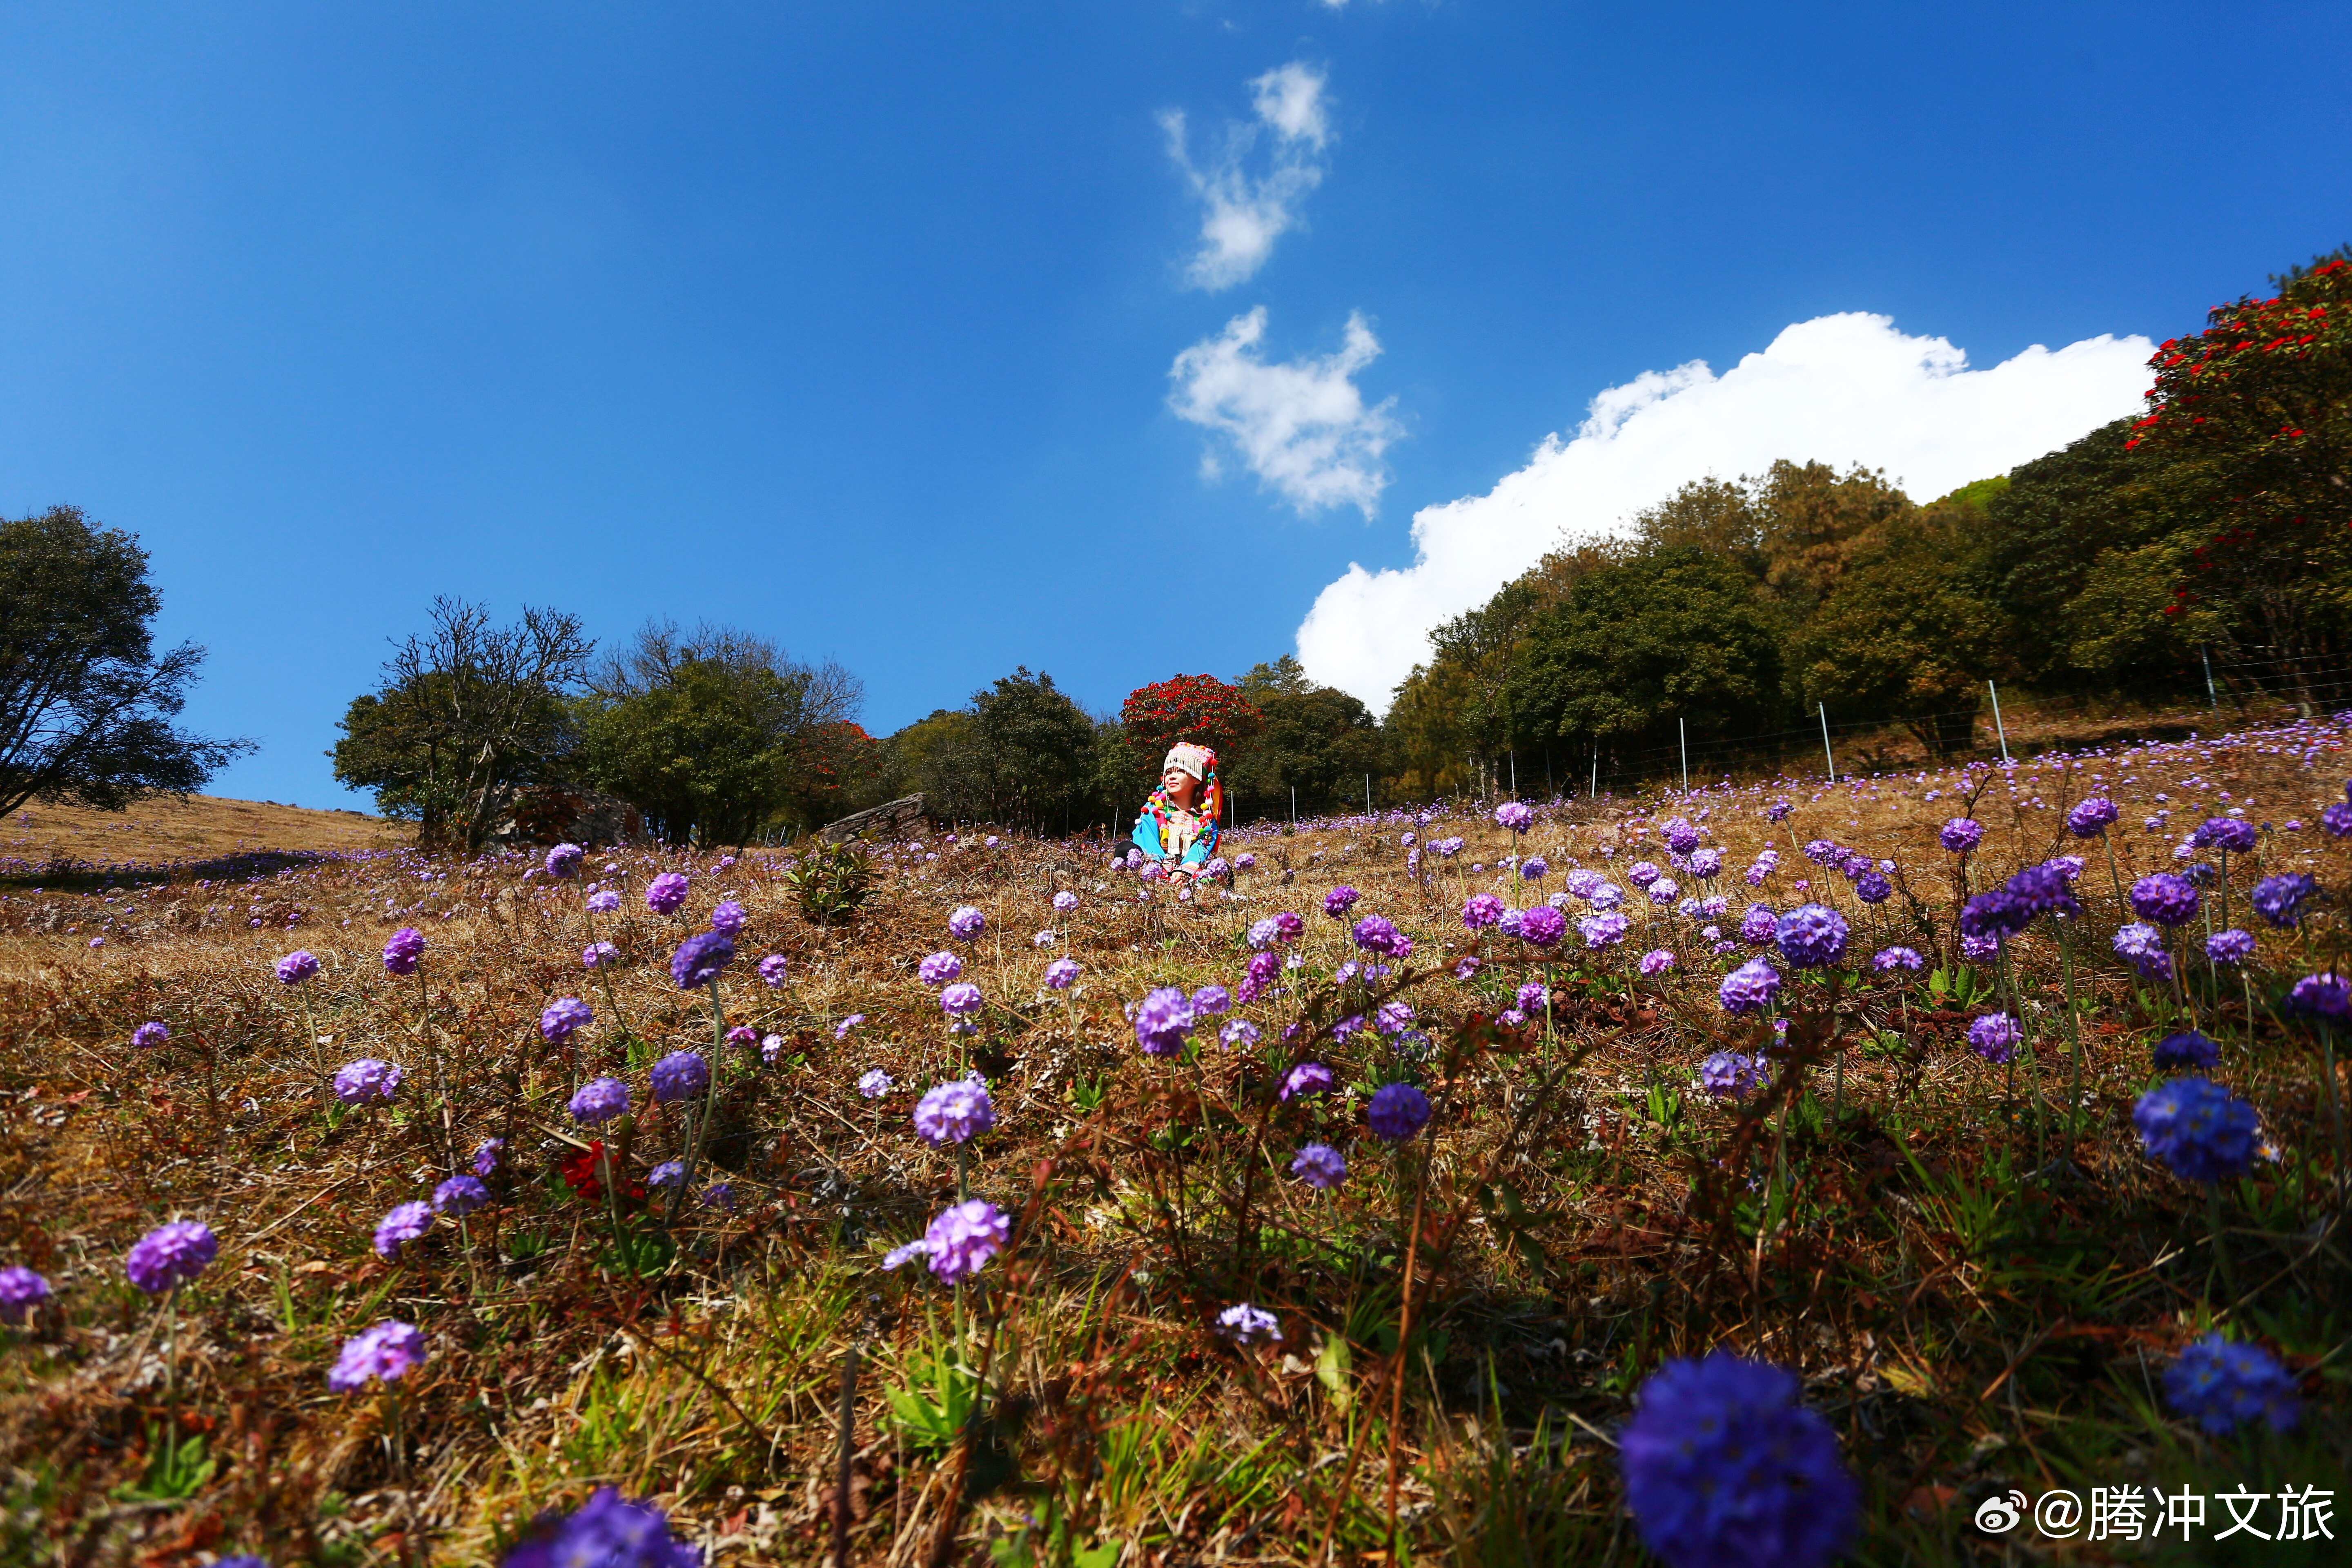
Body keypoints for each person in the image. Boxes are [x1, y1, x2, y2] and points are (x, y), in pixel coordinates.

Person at [1129, 743, 1221, 884]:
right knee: (1125, 850)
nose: (1172, 777)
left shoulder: (1205, 818)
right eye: (1169, 772)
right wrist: (1160, 867)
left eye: (1180, 771)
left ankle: (1185, 882)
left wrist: (1184, 871)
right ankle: (1159, 879)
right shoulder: (1154, 809)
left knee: (1222, 870)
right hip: (1156, 866)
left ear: (1197, 778)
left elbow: (1203, 847)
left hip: (1189, 870)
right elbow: (1146, 840)